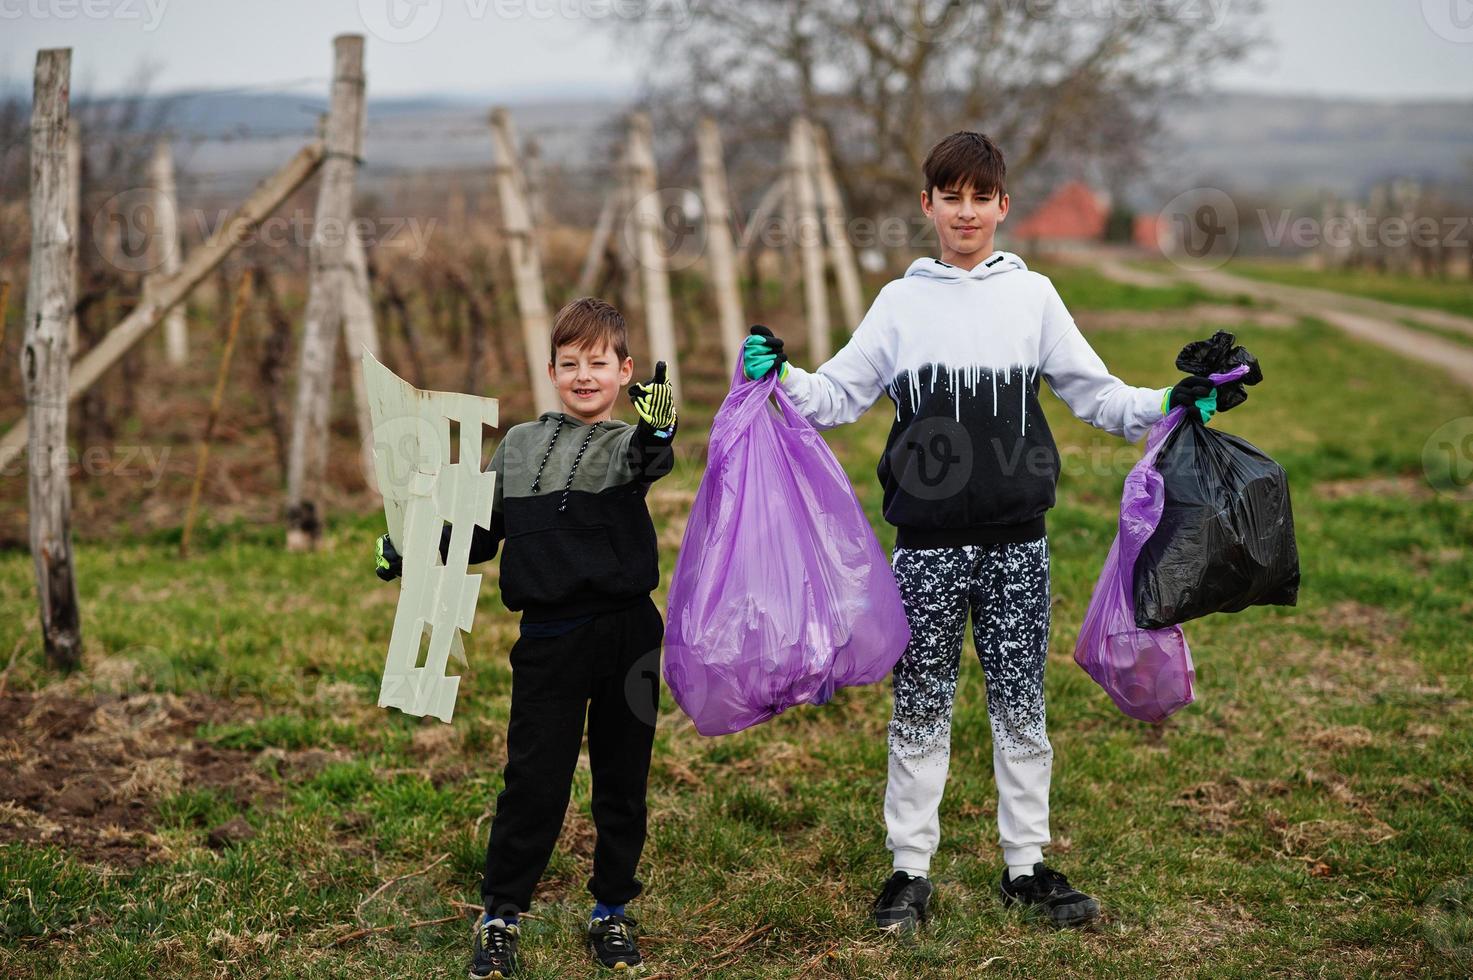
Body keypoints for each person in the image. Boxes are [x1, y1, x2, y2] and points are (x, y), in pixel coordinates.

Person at [741, 131, 1226, 932]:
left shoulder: (1032, 298)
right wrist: (779, 373)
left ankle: (1026, 866)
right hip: (924, 547)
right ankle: (908, 872)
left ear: (1003, 205)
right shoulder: (900, 303)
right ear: (926, 204)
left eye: (980, 197)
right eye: (949, 196)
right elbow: (834, 398)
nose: (964, 212)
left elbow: (1097, 396)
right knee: (921, 702)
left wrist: (1174, 399)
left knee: (1019, 704)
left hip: (1016, 543)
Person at [375, 297, 678, 976]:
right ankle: (501, 915)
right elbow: (479, 534)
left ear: (623, 371)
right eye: (569, 363)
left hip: (630, 637)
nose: (583, 376)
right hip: (549, 639)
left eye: (599, 364)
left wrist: (660, 424)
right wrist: (410, 548)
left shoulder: (625, 444)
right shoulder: (515, 445)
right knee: (534, 782)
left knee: (621, 780)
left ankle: (611, 912)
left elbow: (653, 455)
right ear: (550, 370)